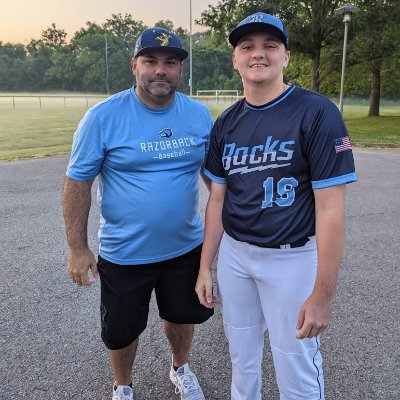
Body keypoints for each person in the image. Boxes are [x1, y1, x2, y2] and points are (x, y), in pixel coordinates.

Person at [195, 12, 357, 400]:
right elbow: (217, 198)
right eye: (247, 46)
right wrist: (206, 265)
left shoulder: (316, 112)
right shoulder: (226, 123)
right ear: (235, 59)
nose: (258, 54)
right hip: (236, 256)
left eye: (270, 45)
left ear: (286, 57)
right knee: (242, 358)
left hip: (292, 259)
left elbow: (331, 210)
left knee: (295, 363)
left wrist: (323, 295)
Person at [63, 27, 213, 400]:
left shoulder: (198, 115)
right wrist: (77, 248)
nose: (160, 70)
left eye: (170, 62)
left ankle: (180, 369)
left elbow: (215, 179)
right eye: (150, 61)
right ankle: (123, 386)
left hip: (185, 248)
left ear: (180, 69)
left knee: (182, 317)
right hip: (125, 251)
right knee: (122, 330)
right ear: (134, 66)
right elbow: (77, 183)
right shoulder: (102, 117)